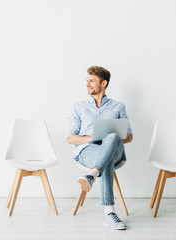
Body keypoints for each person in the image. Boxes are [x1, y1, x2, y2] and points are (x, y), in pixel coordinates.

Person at [67, 66, 133, 230]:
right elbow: (70, 138)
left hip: (114, 149)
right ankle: (109, 213)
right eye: (87, 81)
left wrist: (112, 137)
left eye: (91, 81)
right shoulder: (78, 107)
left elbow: (129, 136)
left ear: (103, 83)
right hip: (87, 150)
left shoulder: (118, 106)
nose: (87, 84)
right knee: (106, 159)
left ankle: (92, 174)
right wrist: (92, 138)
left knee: (111, 137)